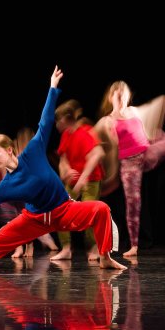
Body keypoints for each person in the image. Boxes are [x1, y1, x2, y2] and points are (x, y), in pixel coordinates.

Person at [0, 67, 126, 270]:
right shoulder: (6, 186)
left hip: (64, 210)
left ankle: (105, 258)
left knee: (101, 208)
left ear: (9, 150)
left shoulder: (34, 152)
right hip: (34, 220)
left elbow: (45, 122)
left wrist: (52, 87)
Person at [95, 82, 165, 257]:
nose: (121, 97)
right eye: (117, 94)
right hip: (129, 164)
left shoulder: (133, 111)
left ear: (127, 95)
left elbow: (153, 109)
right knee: (133, 204)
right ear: (111, 98)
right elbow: (92, 138)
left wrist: (152, 132)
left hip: (147, 153)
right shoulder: (107, 120)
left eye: (123, 93)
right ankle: (134, 245)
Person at [51, 99, 105, 261]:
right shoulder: (66, 135)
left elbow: (97, 154)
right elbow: (63, 159)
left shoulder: (84, 132)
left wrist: (82, 178)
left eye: (58, 120)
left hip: (91, 180)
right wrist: (66, 171)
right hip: (74, 180)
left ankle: (94, 246)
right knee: (60, 208)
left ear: (67, 119)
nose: (56, 124)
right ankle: (66, 248)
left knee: (89, 212)